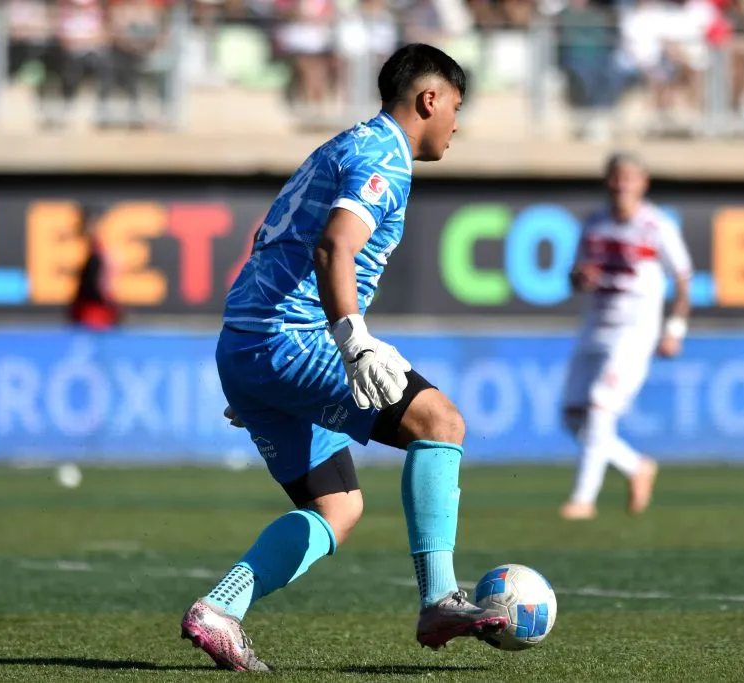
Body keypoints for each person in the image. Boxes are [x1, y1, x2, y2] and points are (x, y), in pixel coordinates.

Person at [179, 44, 508, 672]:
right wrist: (352, 340)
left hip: (250, 342)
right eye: (457, 108)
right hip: (291, 336)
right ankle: (440, 598)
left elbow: (271, 240)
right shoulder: (385, 154)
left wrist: (257, 372)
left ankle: (221, 609)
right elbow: (336, 247)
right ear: (429, 100)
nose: (457, 125)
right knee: (441, 425)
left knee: (338, 507)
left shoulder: (339, 147)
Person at [558, 152, 692, 521]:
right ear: (608, 181)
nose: (622, 185)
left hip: (634, 331)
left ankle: (583, 499)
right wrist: (579, 277)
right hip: (595, 326)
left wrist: (674, 330)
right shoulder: (595, 223)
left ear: (643, 183)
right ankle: (635, 466)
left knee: (600, 406)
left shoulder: (656, 225)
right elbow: (575, 275)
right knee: (571, 416)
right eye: (616, 178)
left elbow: (683, 280)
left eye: (630, 178)